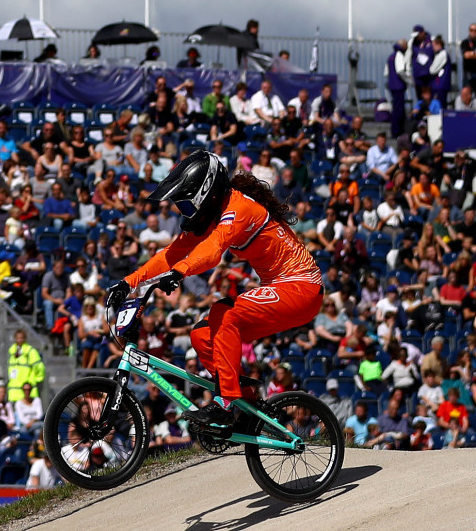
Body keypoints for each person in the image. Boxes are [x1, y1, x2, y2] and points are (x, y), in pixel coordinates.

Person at [106, 151, 323, 439]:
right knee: (202, 335)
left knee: (224, 312)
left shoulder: (238, 209)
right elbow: (171, 254)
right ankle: (247, 406)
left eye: (185, 204)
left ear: (205, 193)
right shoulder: (215, 212)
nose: (183, 212)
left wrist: (180, 272)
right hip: (282, 288)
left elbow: (212, 252)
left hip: (301, 288)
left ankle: (226, 402)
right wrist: (128, 282)